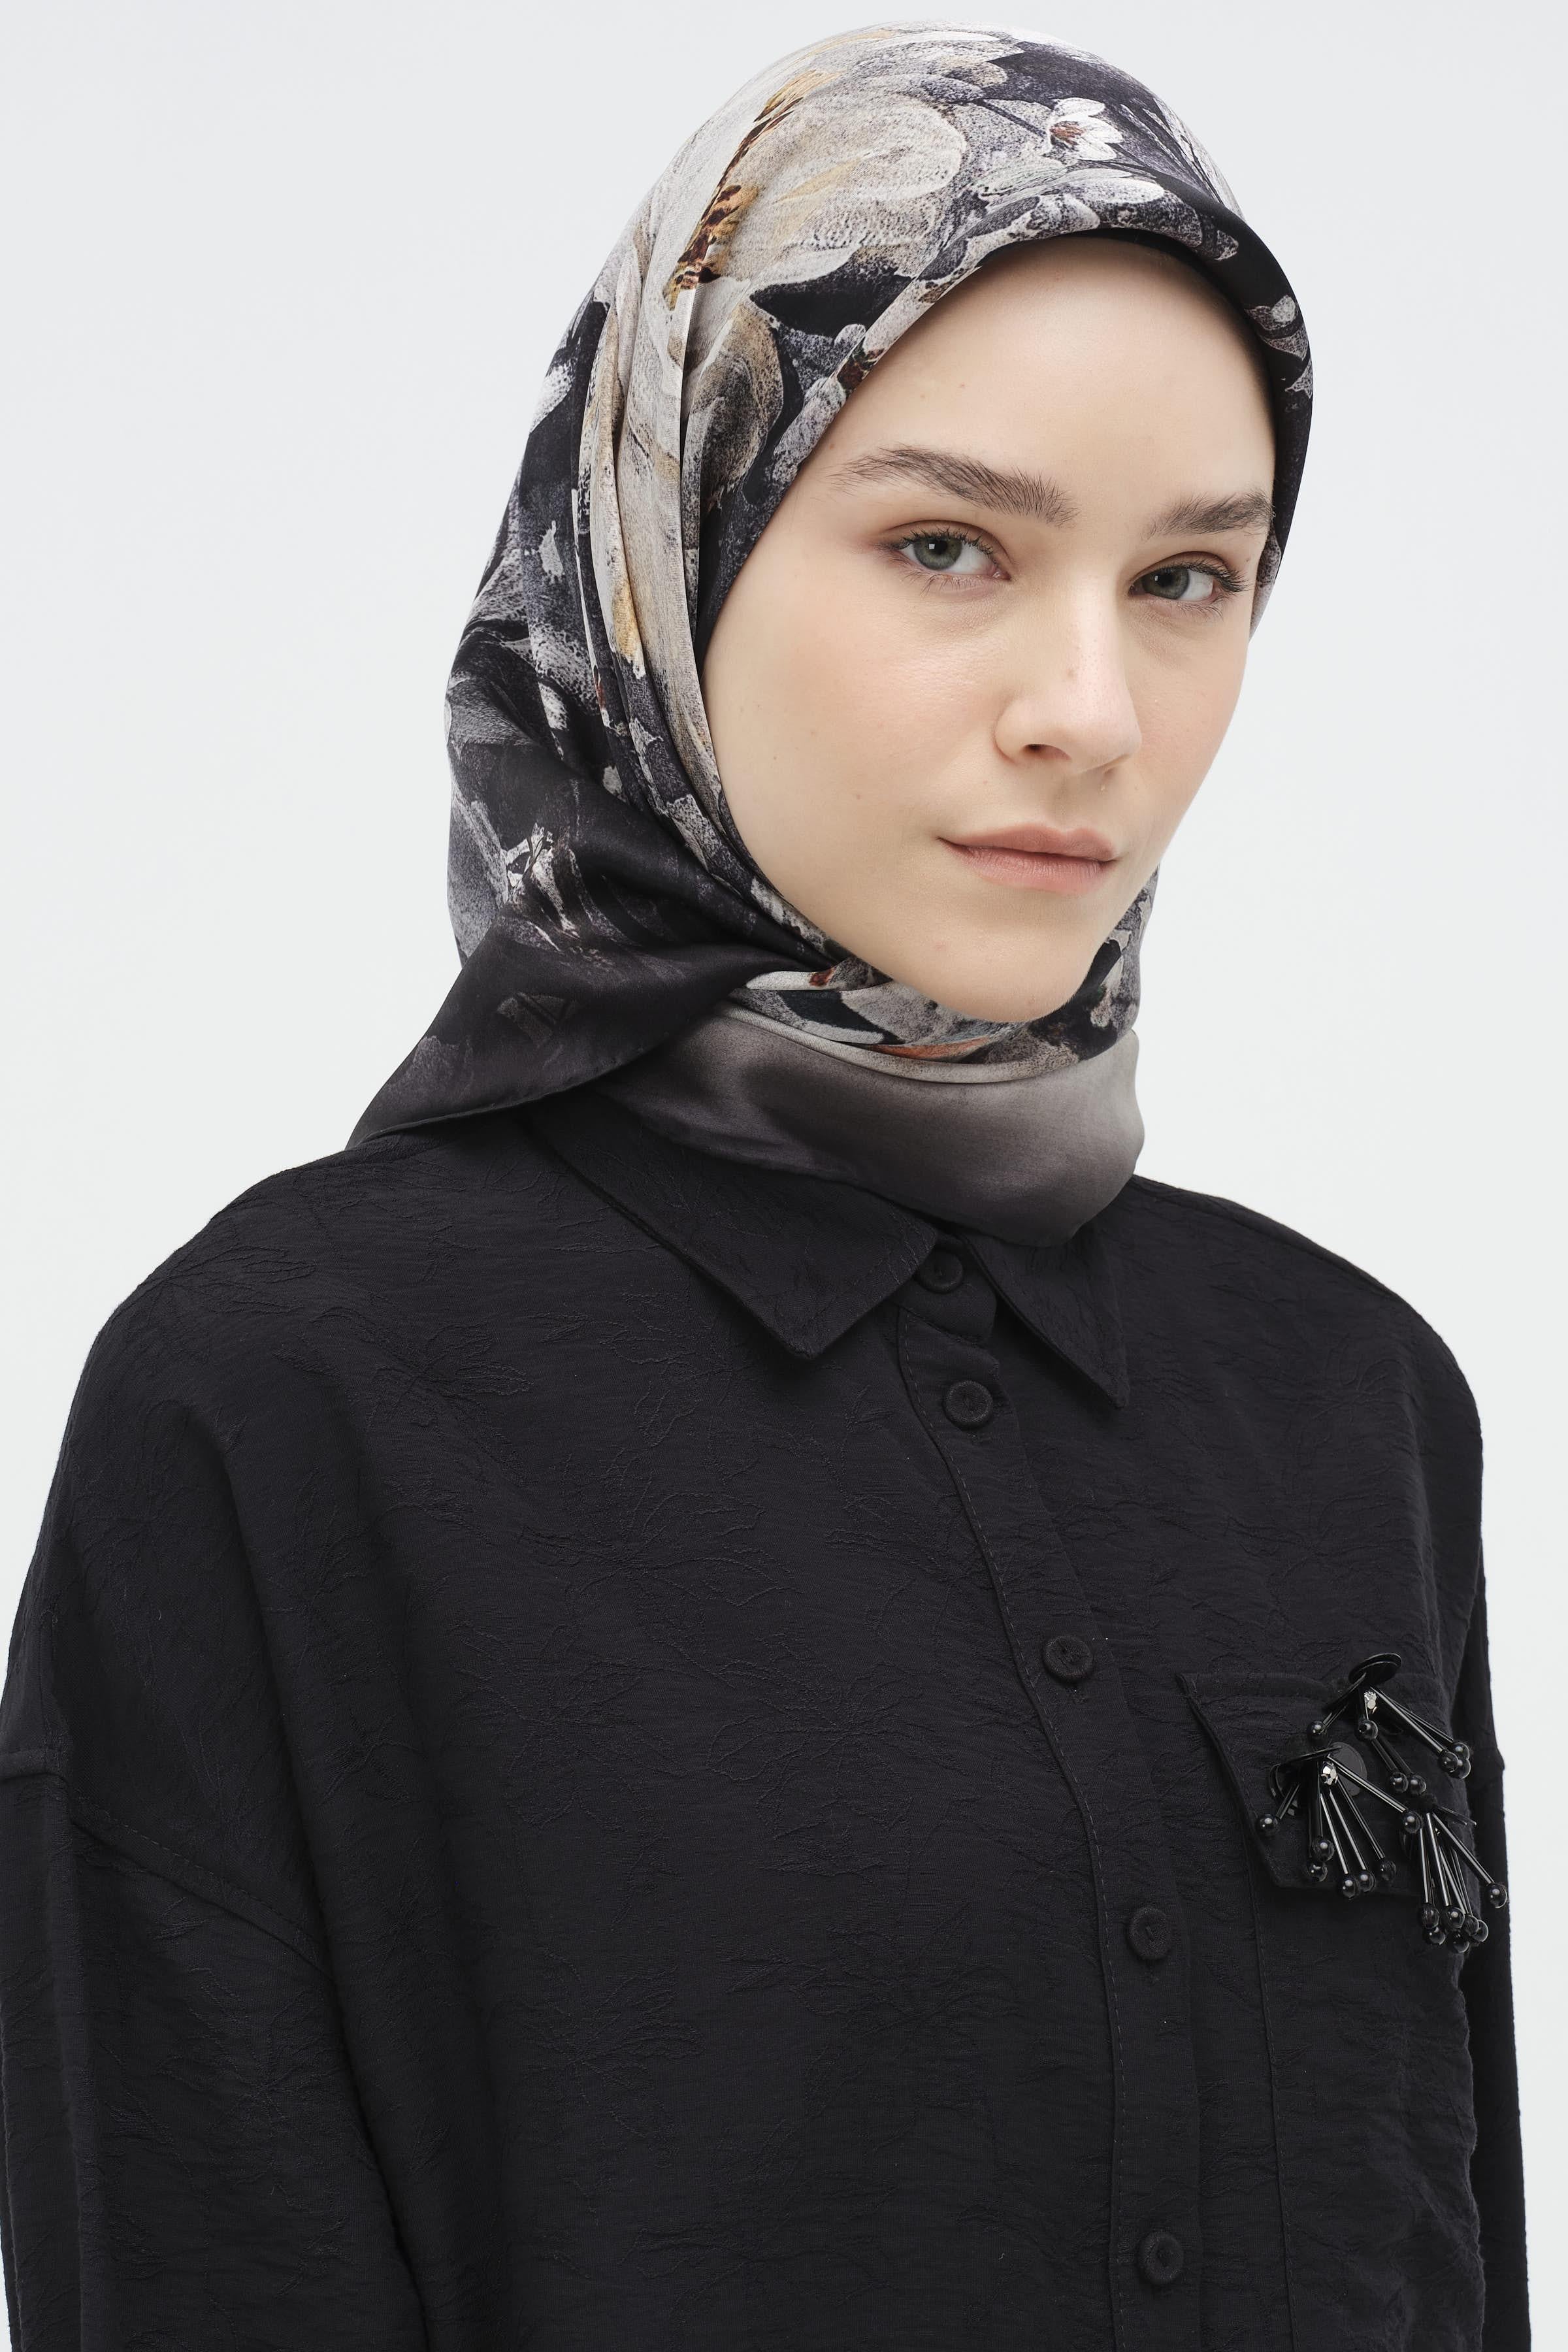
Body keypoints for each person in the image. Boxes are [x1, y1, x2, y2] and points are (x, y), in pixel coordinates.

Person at [0, 24, 1529, 2351]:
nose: (1093, 711)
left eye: (1189, 577)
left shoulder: (1352, 1401)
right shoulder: (289, 1408)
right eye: (947, 546)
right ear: (668, 547)